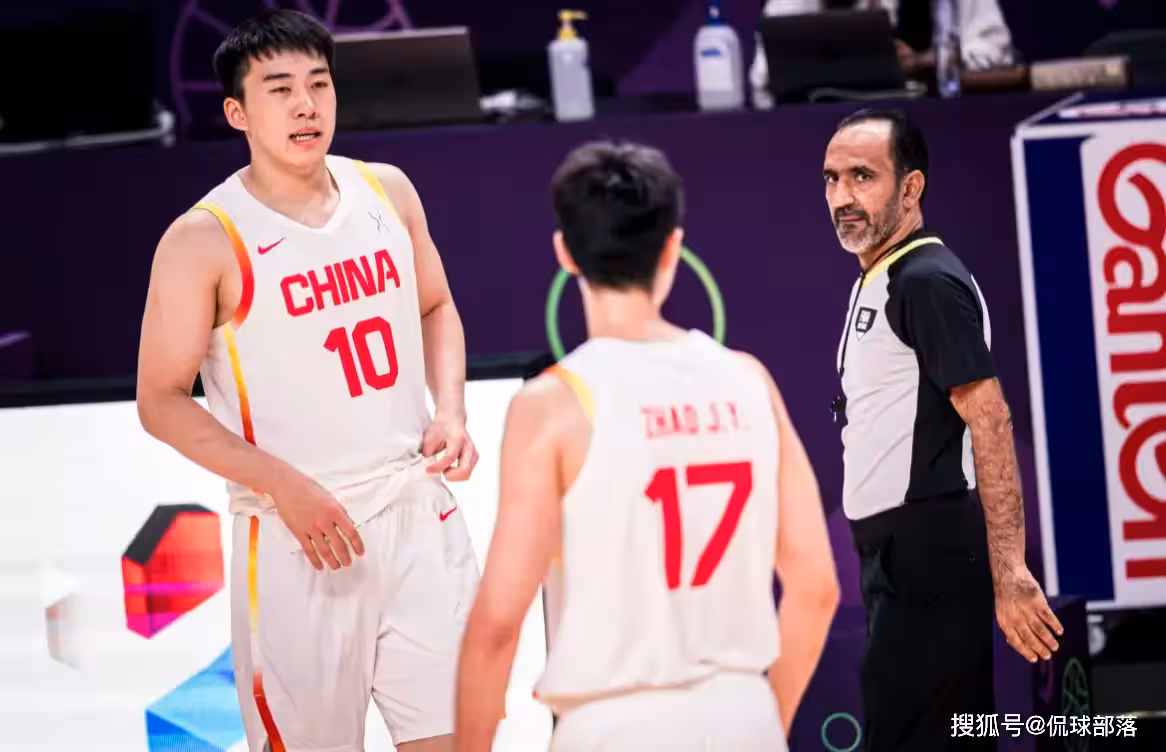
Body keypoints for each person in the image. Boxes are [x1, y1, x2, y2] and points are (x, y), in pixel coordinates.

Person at [135, 9, 479, 752]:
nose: (306, 105)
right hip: (300, 537)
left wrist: (451, 409)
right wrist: (281, 483)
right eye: (280, 88)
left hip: (415, 509)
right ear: (237, 112)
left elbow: (436, 304)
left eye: (319, 84)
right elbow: (159, 401)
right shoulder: (204, 237)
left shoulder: (387, 190)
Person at [453, 140, 840, 752]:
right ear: (672, 248)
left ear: (565, 252)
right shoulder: (749, 380)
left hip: (614, 724)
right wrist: (766, 719)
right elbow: (816, 587)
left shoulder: (553, 404)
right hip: (742, 714)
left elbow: (498, 625)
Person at [822, 107, 1062, 751]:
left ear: (911, 188)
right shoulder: (883, 272)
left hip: (928, 554)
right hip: (897, 557)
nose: (842, 197)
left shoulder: (925, 280)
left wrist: (1010, 571)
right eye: (832, 179)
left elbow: (991, 417)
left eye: (862, 176)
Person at [749, 0, 1015, 108]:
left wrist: (927, 62)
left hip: (930, 118)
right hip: (830, 125)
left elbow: (996, 48)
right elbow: (763, 76)